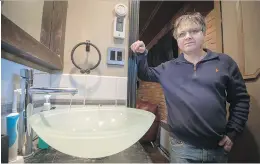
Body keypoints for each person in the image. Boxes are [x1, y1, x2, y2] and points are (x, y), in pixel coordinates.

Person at [131, 12, 250, 163]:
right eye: (182, 34)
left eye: (193, 31)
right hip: (182, 149)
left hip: (218, 148)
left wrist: (232, 133)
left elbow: (240, 100)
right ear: (177, 40)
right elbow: (145, 74)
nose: (188, 36)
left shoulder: (225, 63)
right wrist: (141, 55)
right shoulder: (168, 68)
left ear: (203, 33)